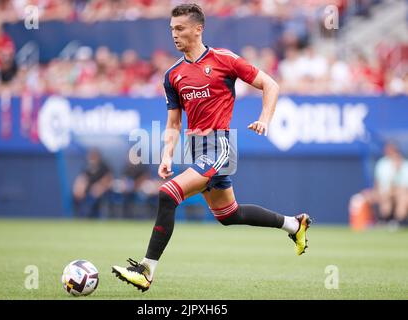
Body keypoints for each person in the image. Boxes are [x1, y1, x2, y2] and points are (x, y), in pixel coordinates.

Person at [112, 3, 311, 292]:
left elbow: (271, 85)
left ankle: (146, 270)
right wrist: (167, 154)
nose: (174, 35)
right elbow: (173, 123)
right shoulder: (172, 75)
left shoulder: (224, 60)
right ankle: (295, 225)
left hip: (219, 147)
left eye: (180, 29)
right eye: (171, 29)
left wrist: (264, 119)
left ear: (198, 28)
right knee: (228, 215)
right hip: (196, 149)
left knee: (168, 194)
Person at [373, 142, 408, 228]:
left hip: (401, 192)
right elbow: (377, 182)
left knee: (403, 197)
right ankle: (384, 221)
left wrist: (396, 170)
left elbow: (404, 186)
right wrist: (376, 192)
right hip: (385, 191)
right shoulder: (382, 163)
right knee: (385, 197)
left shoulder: (405, 165)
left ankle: (398, 222)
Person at [72, 148, 113, 219]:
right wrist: (79, 189)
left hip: (101, 191)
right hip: (88, 190)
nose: (91, 158)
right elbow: (82, 178)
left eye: (93, 156)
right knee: (78, 197)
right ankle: (80, 217)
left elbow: (109, 179)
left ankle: (94, 217)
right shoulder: (87, 166)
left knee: (93, 198)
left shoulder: (104, 166)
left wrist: (100, 187)